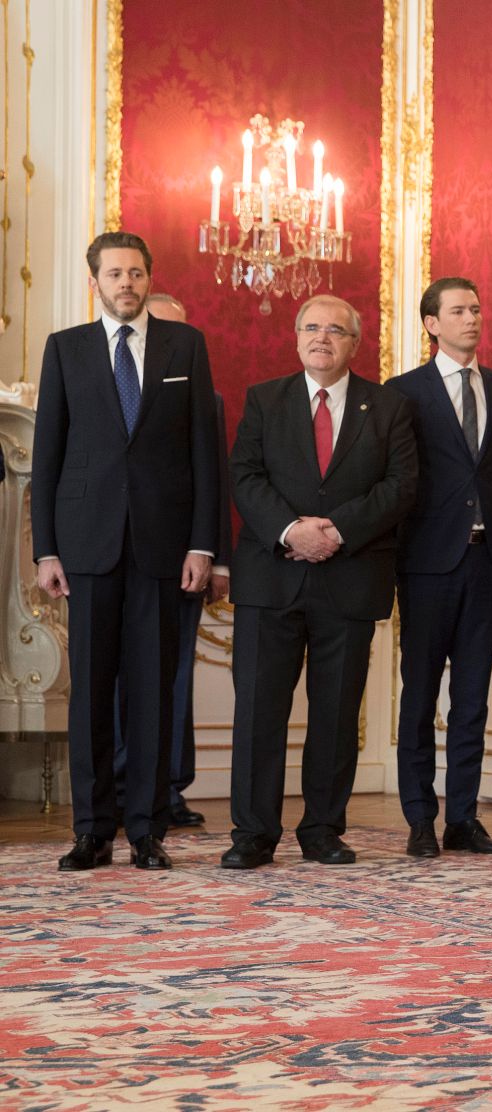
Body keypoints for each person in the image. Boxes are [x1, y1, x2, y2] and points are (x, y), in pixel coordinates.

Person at [34, 232, 219, 872]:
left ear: (147, 276)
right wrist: (46, 550)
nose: (126, 283)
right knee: (89, 694)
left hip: (163, 548)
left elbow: (204, 455)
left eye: (136, 272)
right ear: (96, 281)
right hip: (86, 547)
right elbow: (47, 460)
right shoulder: (66, 350)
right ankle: (91, 831)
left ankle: (146, 829)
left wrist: (204, 544)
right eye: (114, 273)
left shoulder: (185, 346)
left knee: (152, 691)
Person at [221, 294, 417, 869]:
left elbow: (402, 486)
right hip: (270, 579)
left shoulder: (389, 407)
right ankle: (253, 835)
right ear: (296, 337)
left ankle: (323, 830)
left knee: (335, 713)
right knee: (259, 711)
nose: (322, 338)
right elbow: (244, 476)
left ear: (355, 343)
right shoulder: (264, 400)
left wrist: (336, 531)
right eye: (312, 327)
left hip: (350, 576)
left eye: (336, 330)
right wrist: (290, 530)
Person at [388, 277, 492, 857]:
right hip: (426, 565)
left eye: (477, 307)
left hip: (485, 562)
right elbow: (401, 481)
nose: (473, 317)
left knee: (472, 699)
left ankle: (462, 817)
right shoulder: (403, 392)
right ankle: (420, 817)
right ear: (431, 324)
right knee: (419, 695)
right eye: (459, 310)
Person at [111, 292, 230, 831]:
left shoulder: (207, 397)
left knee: (173, 677)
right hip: (111, 554)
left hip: (181, 558)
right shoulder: (102, 381)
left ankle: (168, 788)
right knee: (114, 677)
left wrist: (217, 559)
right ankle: (118, 785)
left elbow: (216, 479)